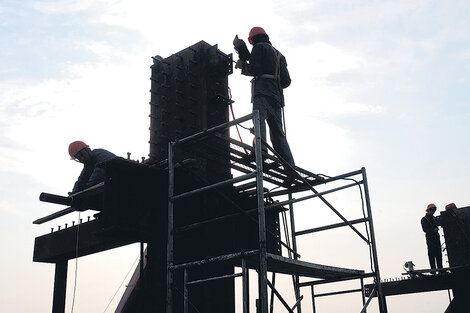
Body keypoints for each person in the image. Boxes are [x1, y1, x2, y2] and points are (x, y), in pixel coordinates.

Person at [236, 26, 295, 166]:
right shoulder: (280, 55)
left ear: (253, 39)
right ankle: (288, 164)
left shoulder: (258, 48)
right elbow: (286, 81)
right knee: (277, 131)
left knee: (259, 121)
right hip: (277, 97)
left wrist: (242, 66)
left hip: (262, 92)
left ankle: (260, 152)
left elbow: (255, 69)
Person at [421, 203, 443, 273]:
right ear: (428, 210)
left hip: (436, 238)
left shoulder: (434, 218)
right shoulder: (424, 219)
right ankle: (433, 270)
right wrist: (432, 231)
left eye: (434, 210)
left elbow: (440, 222)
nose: (433, 212)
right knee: (431, 254)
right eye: (432, 210)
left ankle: (440, 270)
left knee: (439, 254)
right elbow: (425, 229)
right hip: (430, 238)